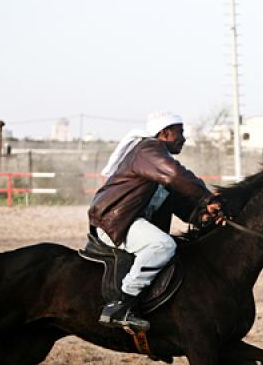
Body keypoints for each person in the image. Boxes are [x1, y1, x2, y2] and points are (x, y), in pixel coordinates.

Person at [88, 112, 219, 332]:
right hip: (115, 222)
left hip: (129, 221)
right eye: (180, 132)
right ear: (165, 132)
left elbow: (180, 202)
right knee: (163, 245)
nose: (184, 138)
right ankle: (121, 306)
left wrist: (204, 215)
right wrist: (208, 198)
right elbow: (176, 176)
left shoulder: (157, 162)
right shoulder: (148, 149)